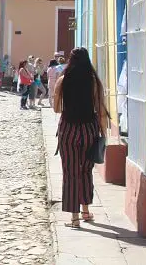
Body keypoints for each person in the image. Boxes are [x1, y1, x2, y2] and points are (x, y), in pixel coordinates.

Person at [53, 47, 109, 228]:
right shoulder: (94, 82)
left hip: (68, 129)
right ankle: (86, 211)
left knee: (70, 172)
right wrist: (103, 134)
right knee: (85, 170)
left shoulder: (63, 80)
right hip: (89, 130)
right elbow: (101, 111)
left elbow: (56, 108)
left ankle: (74, 218)